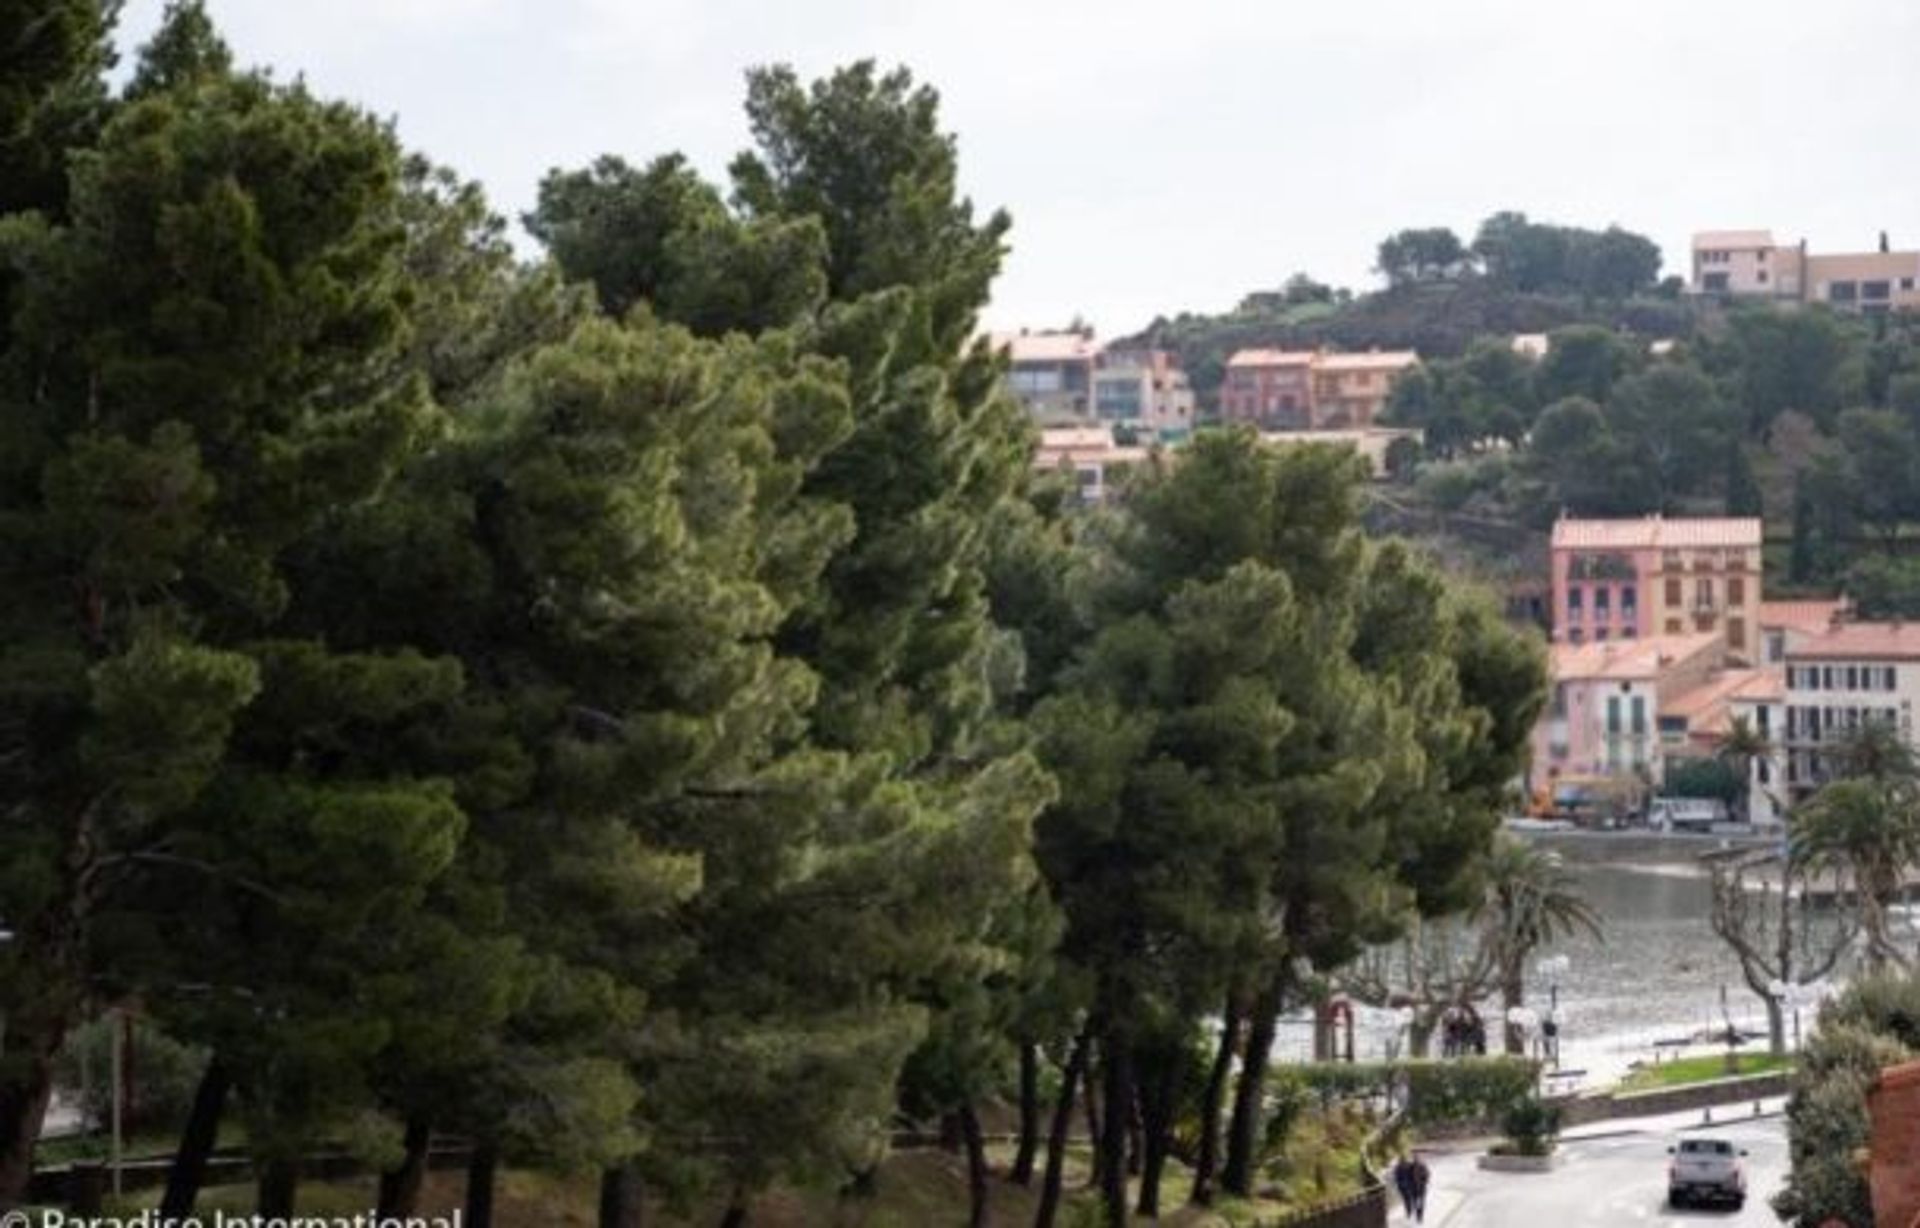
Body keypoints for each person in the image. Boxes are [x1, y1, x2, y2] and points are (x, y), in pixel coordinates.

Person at [1407, 1152, 1431, 1223]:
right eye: (1414, 1158)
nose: (1415, 1160)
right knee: (1415, 1203)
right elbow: (1408, 1178)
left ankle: (1420, 1216)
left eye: (1416, 1158)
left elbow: (1427, 1175)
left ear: (1419, 1159)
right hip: (1414, 1189)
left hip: (1421, 1189)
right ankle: (1418, 1215)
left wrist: (1424, 1183)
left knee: (1421, 1203)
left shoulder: (1423, 1166)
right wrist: (1410, 1185)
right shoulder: (1410, 1167)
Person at [1391, 1152, 1416, 1218]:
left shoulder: (1397, 1167)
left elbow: (1396, 1178)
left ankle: (1408, 1211)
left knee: (1406, 1199)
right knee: (1410, 1197)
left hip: (1402, 1186)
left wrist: (1397, 1185)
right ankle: (1411, 1209)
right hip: (1410, 1185)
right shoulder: (1409, 1165)